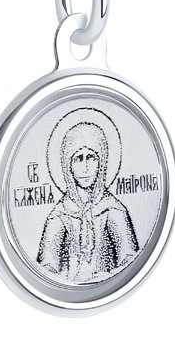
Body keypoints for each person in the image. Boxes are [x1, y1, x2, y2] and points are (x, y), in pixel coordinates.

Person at [37, 121, 138, 283]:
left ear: (102, 162)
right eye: (78, 159)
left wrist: (109, 277)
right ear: (68, 165)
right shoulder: (60, 214)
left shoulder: (113, 209)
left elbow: (130, 259)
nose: (85, 167)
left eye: (91, 157)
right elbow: (47, 264)